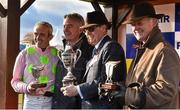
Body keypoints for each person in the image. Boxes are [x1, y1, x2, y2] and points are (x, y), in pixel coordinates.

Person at [112, 2, 180, 109]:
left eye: (139, 23)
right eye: (133, 24)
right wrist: (120, 88)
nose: (135, 28)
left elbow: (166, 90)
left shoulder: (164, 51)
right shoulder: (142, 50)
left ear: (154, 22)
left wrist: (128, 95)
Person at [61, 11, 127, 109]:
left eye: (91, 29)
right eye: (85, 30)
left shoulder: (111, 47)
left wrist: (78, 89)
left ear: (104, 28)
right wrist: (73, 83)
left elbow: (108, 82)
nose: (87, 33)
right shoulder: (97, 49)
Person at [11, 21, 59, 109]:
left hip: (52, 103)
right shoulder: (24, 54)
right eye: (36, 34)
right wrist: (27, 87)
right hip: (30, 103)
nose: (37, 37)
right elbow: (15, 82)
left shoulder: (57, 54)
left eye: (42, 35)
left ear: (50, 37)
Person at [51, 13, 93, 109]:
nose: (65, 30)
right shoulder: (59, 48)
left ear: (81, 29)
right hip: (57, 105)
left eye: (70, 26)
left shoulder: (90, 51)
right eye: (64, 26)